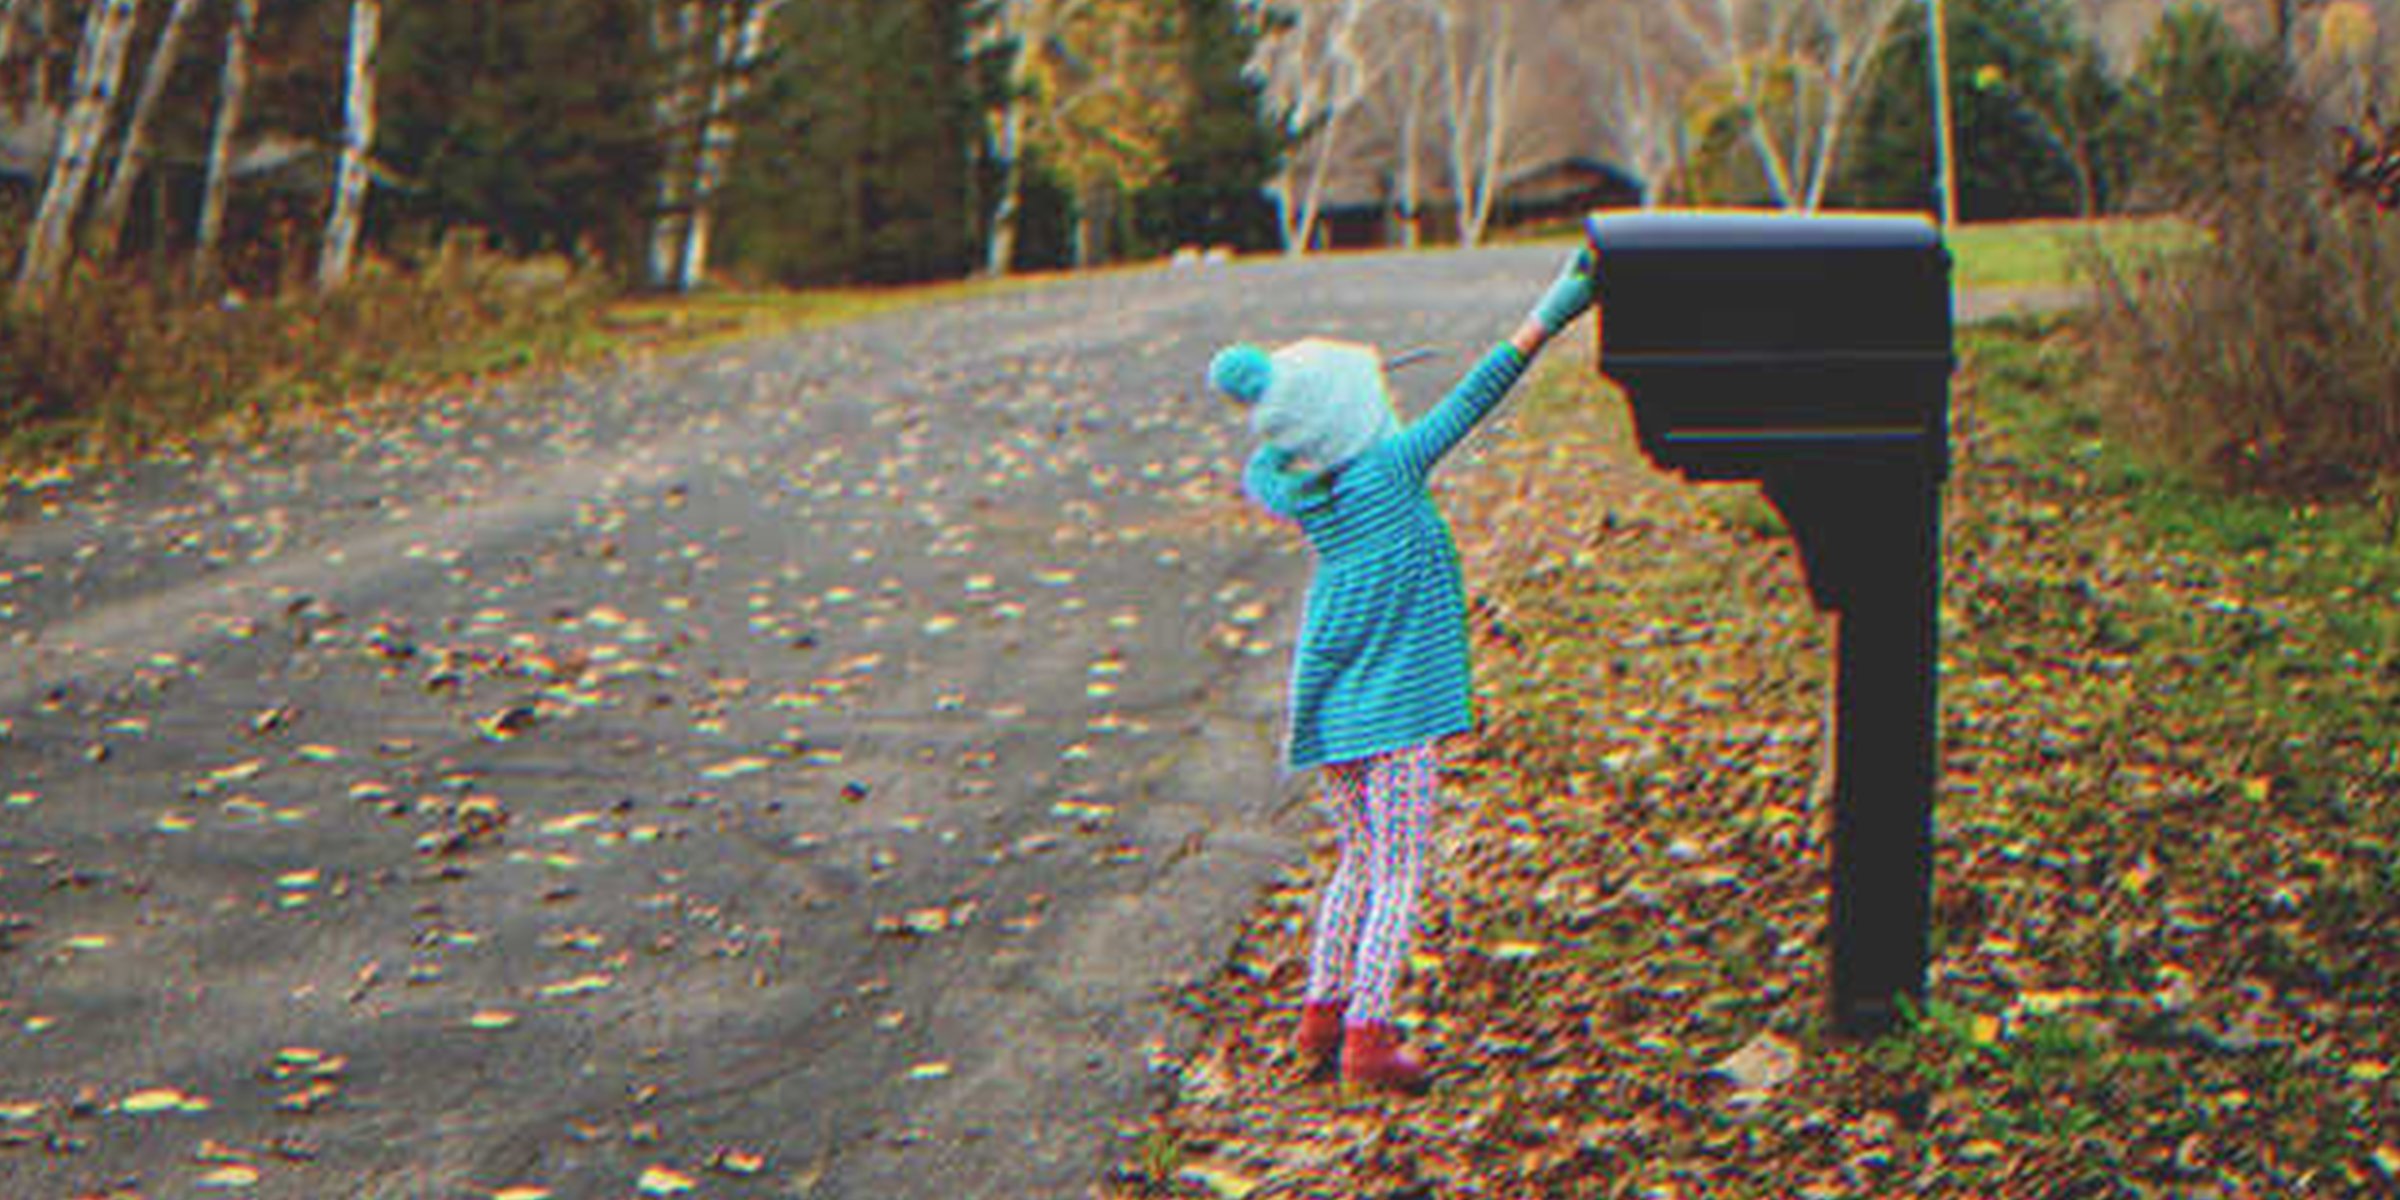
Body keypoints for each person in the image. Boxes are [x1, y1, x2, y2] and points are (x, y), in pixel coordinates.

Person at [1206, 247, 1596, 1092]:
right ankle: (1369, 1037)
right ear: (1354, 416)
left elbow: (1263, 471)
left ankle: (1320, 1012)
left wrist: (1279, 434)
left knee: (1355, 860)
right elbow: (1476, 396)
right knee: (1399, 871)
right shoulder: (1392, 470)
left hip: (1334, 718)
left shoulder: (1307, 496)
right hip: (1399, 720)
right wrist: (1552, 313)